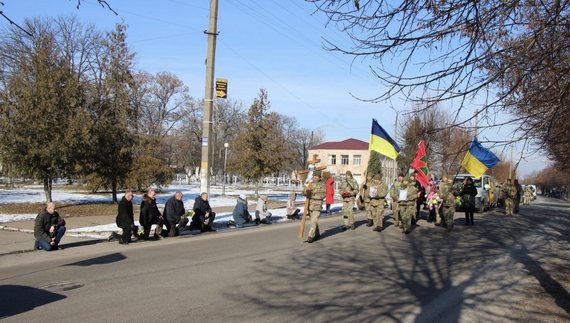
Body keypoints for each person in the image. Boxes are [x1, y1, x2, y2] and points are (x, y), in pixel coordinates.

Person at [304, 170, 326, 243]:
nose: (315, 177)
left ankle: (310, 236)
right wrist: (306, 192)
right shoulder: (310, 183)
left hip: (317, 206)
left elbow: (323, 195)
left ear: (319, 177)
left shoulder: (322, 185)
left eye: (317, 176)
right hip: (310, 205)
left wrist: (313, 195)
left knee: (314, 221)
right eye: (315, 176)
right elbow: (304, 191)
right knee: (313, 221)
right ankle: (317, 234)